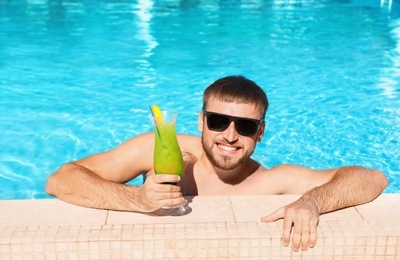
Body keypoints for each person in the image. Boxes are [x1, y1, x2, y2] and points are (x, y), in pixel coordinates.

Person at [46, 75, 388, 252]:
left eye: (246, 126)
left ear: (261, 133)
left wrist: (313, 201)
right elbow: (61, 180)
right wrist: (137, 200)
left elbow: (372, 178)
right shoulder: (161, 149)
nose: (230, 135)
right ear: (200, 121)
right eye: (219, 121)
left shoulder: (273, 181)